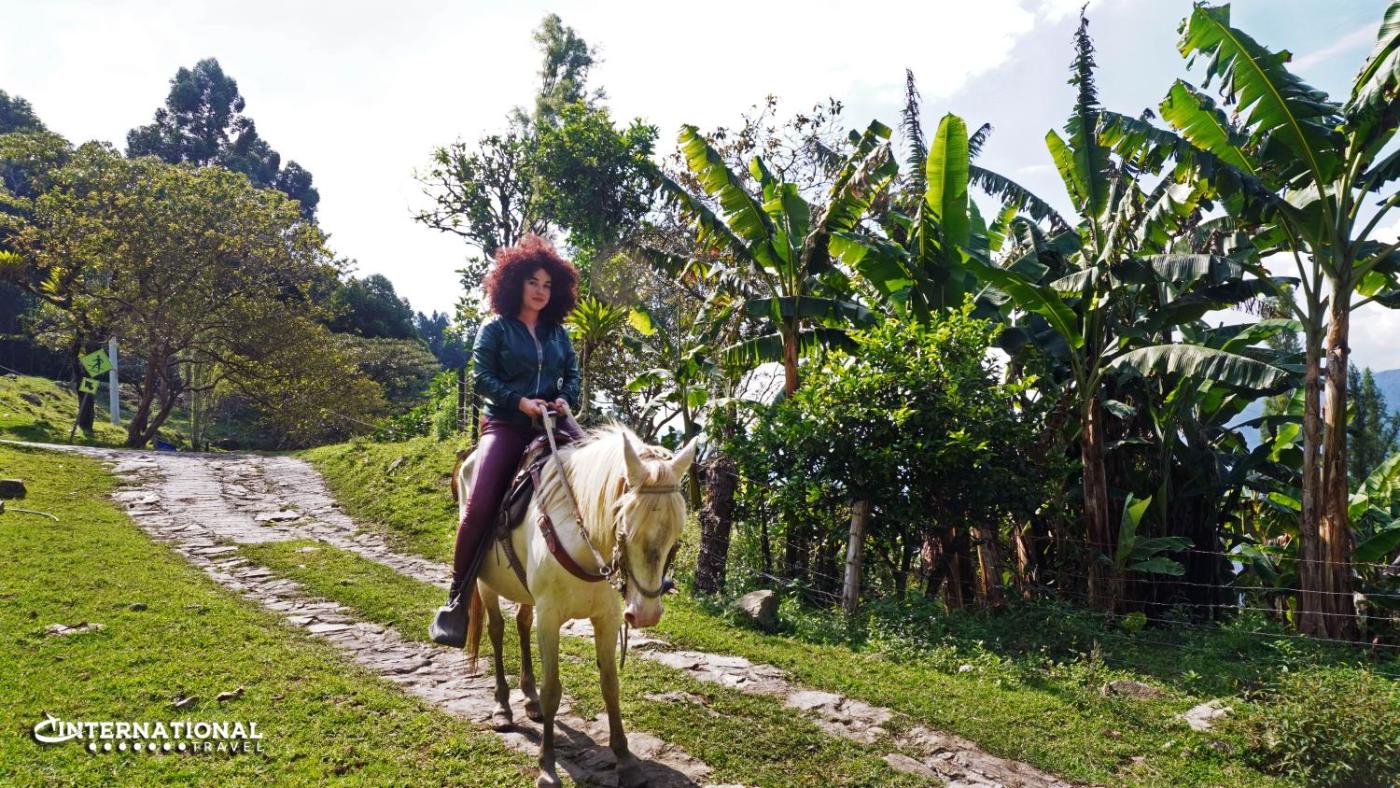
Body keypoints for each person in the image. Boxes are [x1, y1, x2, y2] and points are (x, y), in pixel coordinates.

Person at [431, 236, 584, 645]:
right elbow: (481, 377)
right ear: (514, 282)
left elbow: (572, 375)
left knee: (601, 476)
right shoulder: (495, 329)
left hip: (553, 423)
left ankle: (625, 575)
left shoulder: (558, 334)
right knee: (479, 505)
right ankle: (457, 599)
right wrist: (520, 402)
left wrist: (563, 399)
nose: (540, 290)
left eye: (547, 284)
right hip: (506, 425)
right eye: (533, 281)